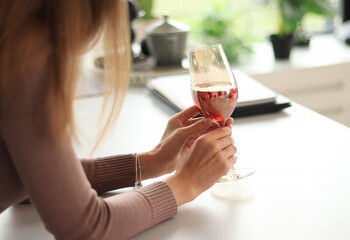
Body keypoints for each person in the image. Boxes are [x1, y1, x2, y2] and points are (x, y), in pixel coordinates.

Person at [0, 1, 237, 239]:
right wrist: (186, 183)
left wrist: (152, 161)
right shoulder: (25, 49)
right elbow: (86, 227)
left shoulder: (12, 33)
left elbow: (36, 182)